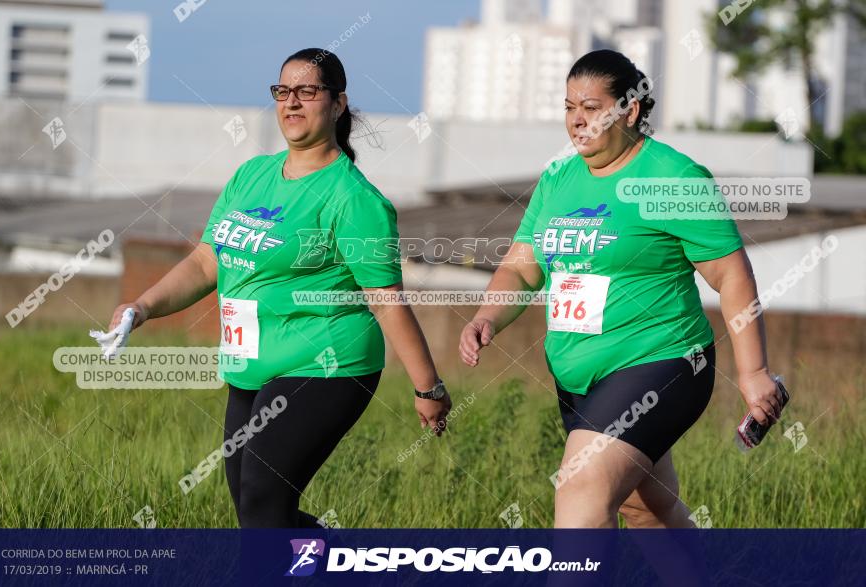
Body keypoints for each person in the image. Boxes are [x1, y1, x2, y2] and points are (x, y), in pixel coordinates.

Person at [107, 48, 451, 528]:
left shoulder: (354, 199)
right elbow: (208, 260)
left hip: (326, 363)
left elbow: (386, 300)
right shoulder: (252, 176)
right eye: (283, 91)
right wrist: (141, 307)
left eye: (307, 91)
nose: (292, 102)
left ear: (337, 103)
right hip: (251, 364)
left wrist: (427, 387)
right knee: (257, 509)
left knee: (262, 492)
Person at [459, 49, 782, 528]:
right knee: (645, 507)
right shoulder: (558, 179)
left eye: (590, 108)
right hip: (579, 376)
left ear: (630, 110)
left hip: (661, 361)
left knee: (580, 486)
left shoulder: (674, 179)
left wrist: (753, 370)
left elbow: (730, 274)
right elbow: (522, 268)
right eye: (569, 107)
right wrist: (487, 316)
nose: (575, 120)